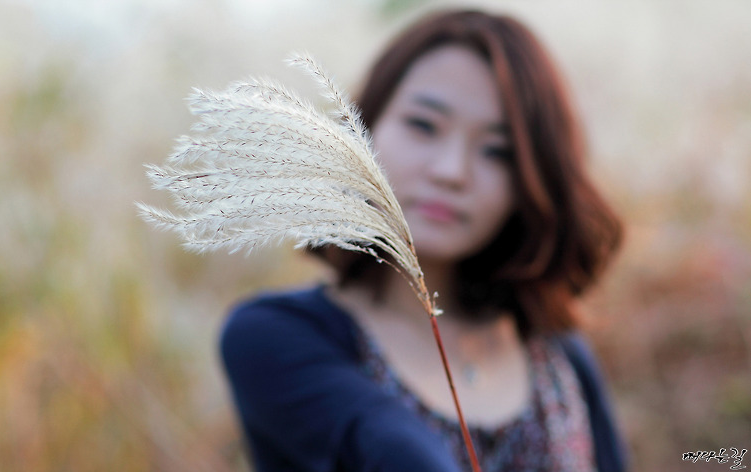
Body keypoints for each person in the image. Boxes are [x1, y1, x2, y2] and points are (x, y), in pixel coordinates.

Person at [219, 9, 627, 472]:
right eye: (424, 125)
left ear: (532, 180)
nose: (451, 171)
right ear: (363, 128)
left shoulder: (558, 355)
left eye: (498, 151)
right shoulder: (276, 336)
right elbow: (389, 448)